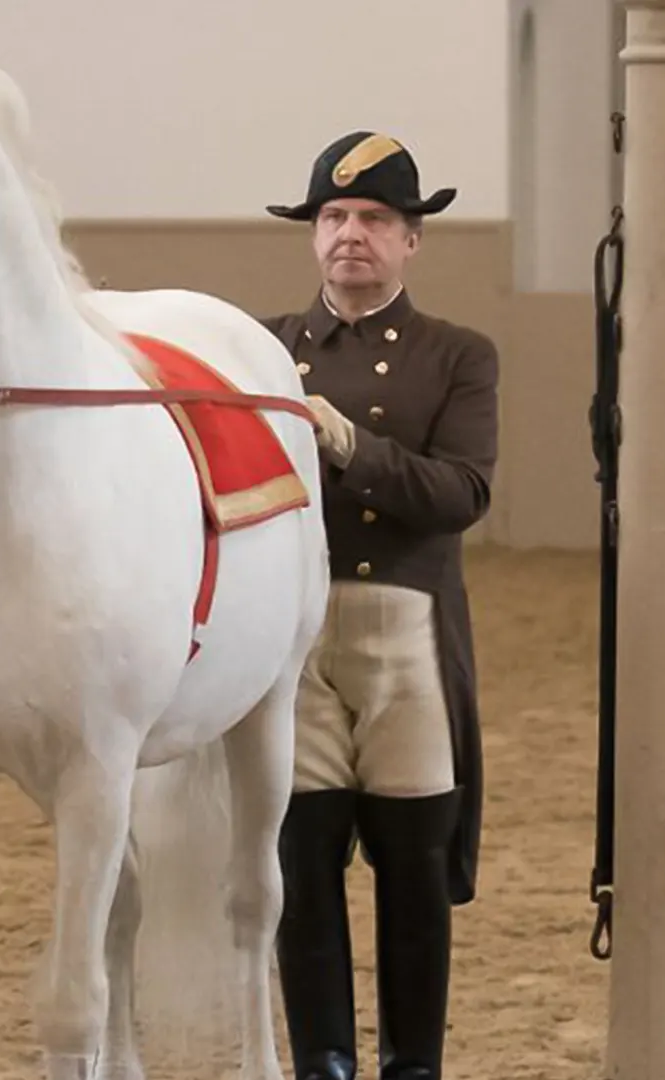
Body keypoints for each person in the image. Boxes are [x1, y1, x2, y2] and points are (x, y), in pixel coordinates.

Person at [256, 130, 499, 1080]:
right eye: (333, 217)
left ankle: (414, 1065)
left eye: (374, 219)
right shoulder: (266, 346)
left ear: (411, 240)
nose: (350, 234)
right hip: (296, 626)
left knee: (412, 873)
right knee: (302, 867)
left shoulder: (457, 356)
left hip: (406, 630)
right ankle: (322, 1059)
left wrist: (351, 446)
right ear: (313, 234)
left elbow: (462, 495)